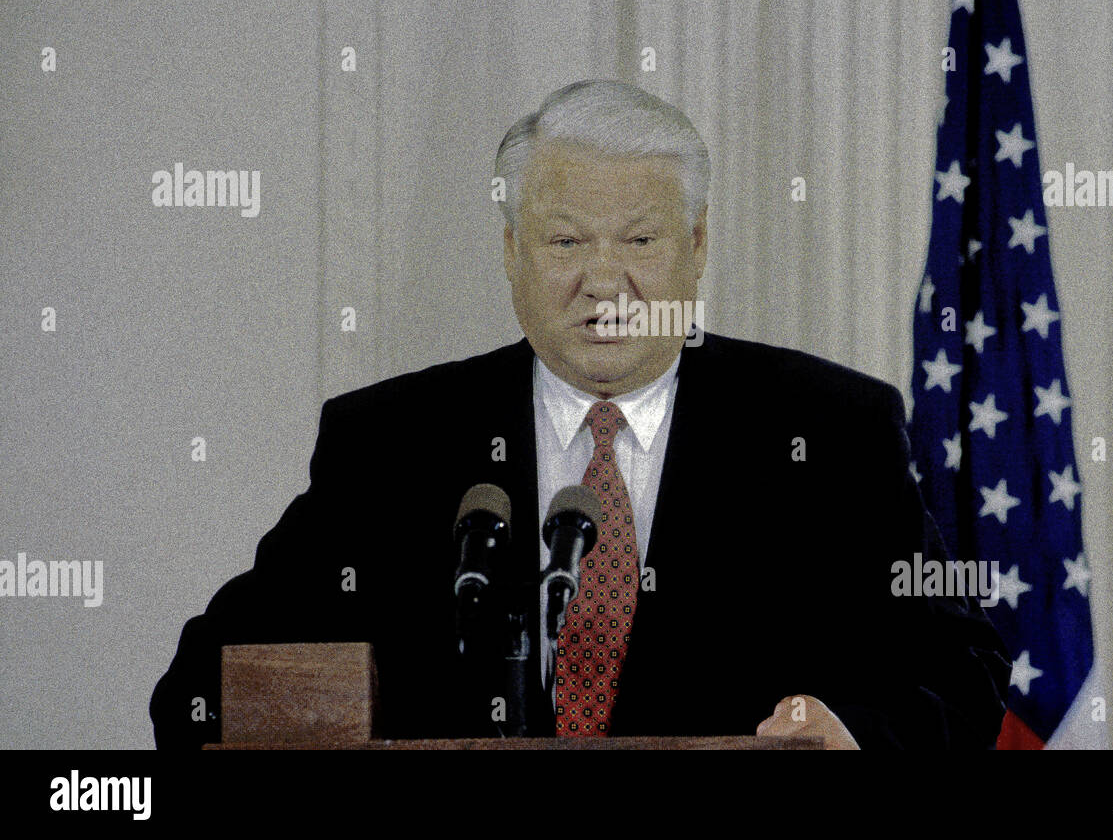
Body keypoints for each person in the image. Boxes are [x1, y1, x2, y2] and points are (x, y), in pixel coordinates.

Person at [151, 79, 1010, 749]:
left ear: (697, 246)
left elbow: (961, 669)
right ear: (511, 250)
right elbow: (201, 688)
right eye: (566, 242)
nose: (605, 281)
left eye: (640, 241)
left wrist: (853, 735)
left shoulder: (830, 430)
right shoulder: (391, 444)